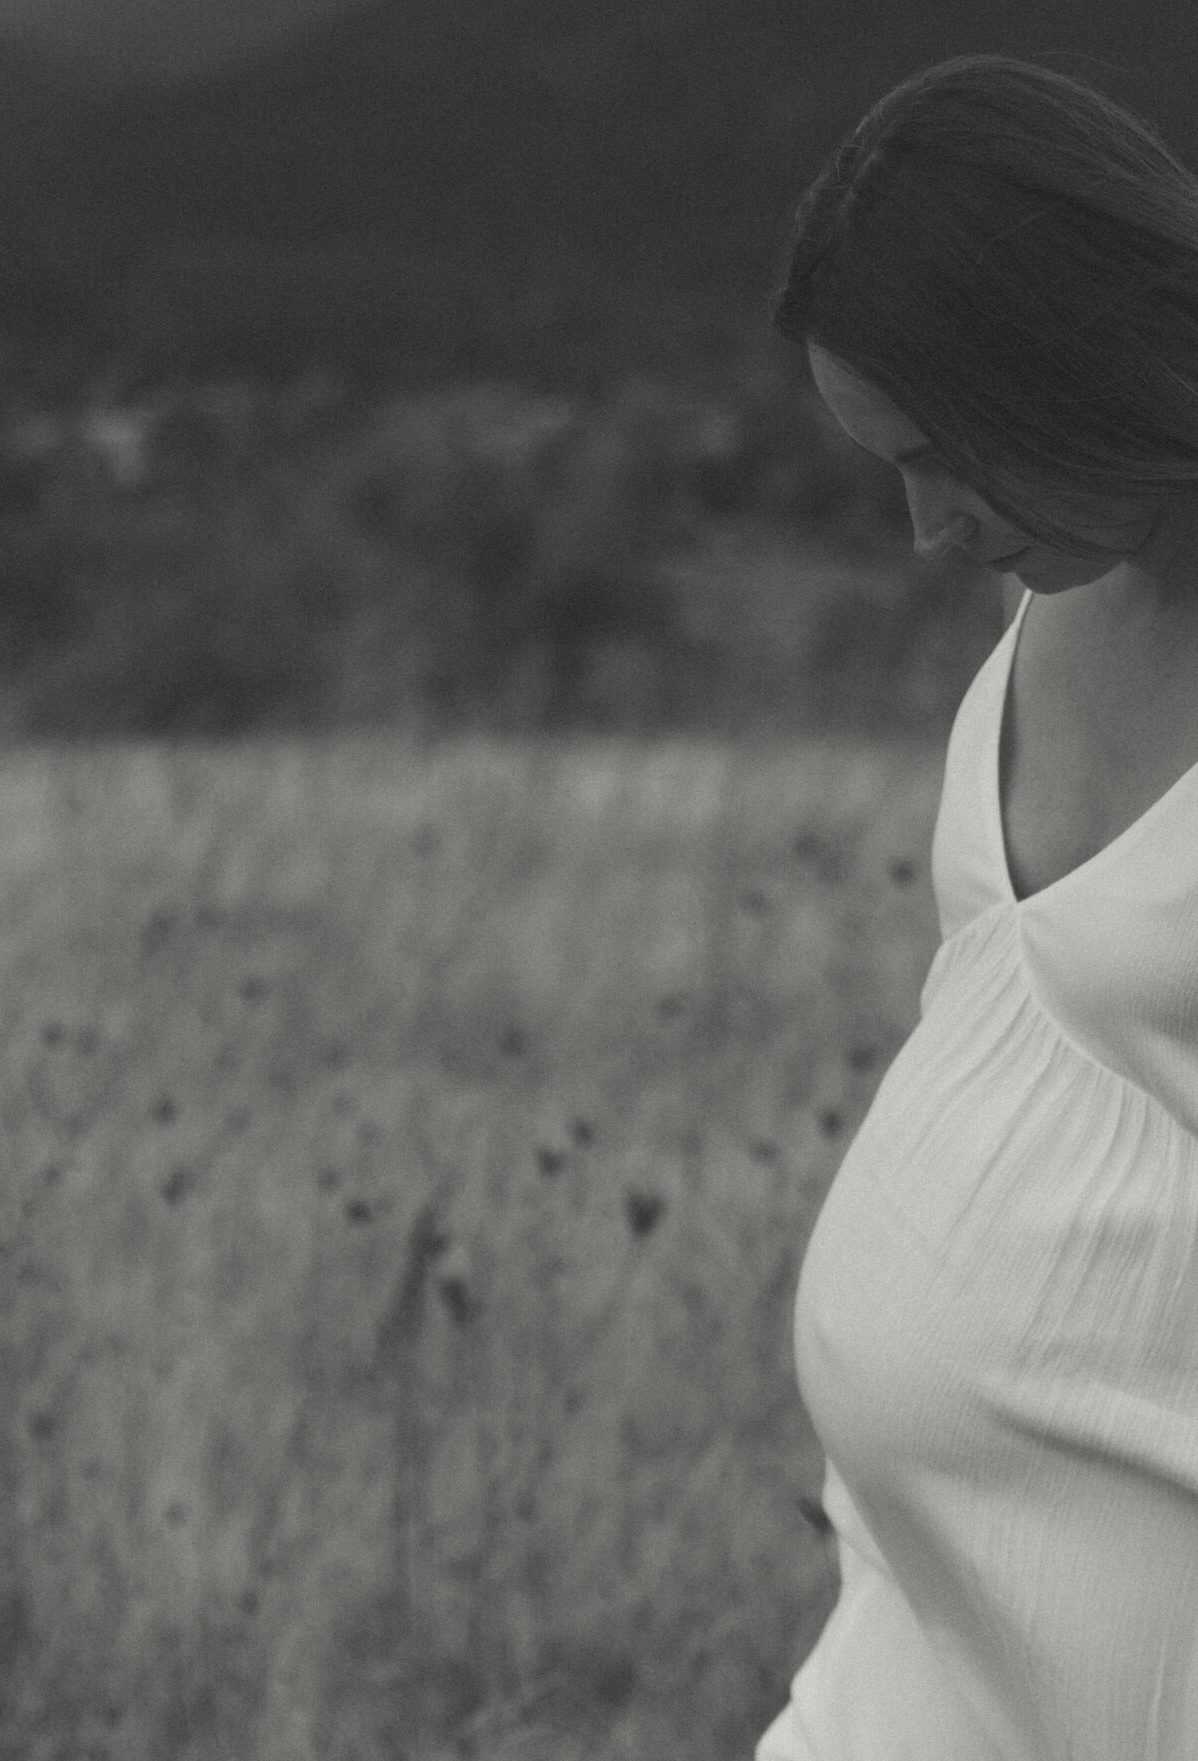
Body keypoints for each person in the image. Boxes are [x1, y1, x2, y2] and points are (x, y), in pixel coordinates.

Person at [757, 53, 1198, 1761]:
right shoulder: (1071, 577)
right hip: (907, 1645)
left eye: (945, 457)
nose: (924, 529)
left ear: (1076, 372)